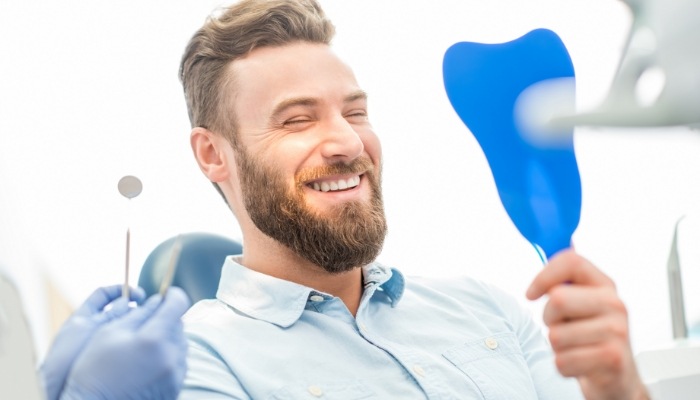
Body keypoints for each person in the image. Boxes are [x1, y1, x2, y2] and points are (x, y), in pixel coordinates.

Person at [178, 0, 650, 398]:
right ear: (212, 154)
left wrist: (619, 387)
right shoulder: (196, 362)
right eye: (298, 119)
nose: (349, 142)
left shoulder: (486, 309)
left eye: (356, 112)